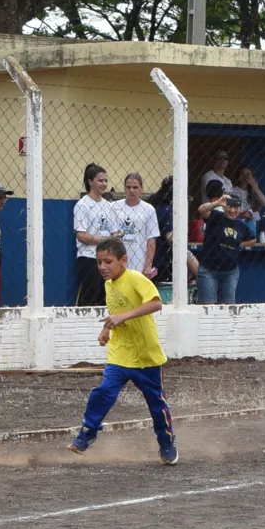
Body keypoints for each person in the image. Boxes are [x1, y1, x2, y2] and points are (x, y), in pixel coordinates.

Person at [69, 237, 177, 465]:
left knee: (156, 404)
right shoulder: (109, 284)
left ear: (124, 260)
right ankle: (86, 435)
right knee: (103, 393)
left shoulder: (136, 279)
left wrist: (123, 317)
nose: (102, 267)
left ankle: (166, 443)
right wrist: (106, 329)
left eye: (108, 261)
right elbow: (116, 310)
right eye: (99, 262)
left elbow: (156, 303)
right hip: (120, 353)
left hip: (145, 355)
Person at [74, 163, 121, 306]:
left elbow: (114, 231)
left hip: (107, 258)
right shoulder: (82, 205)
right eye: (100, 180)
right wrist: (105, 240)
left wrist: (118, 235)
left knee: (105, 298)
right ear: (90, 181)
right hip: (89, 257)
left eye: (106, 180)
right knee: (88, 299)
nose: (104, 184)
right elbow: (82, 235)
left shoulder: (108, 205)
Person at [197, 194, 255, 304]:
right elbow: (201, 210)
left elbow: (253, 239)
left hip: (230, 272)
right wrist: (218, 203)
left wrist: (239, 244)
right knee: (208, 308)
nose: (232, 210)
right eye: (230, 207)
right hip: (208, 270)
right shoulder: (216, 216)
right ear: (224, 207)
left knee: (228, 309)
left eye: (236, 208)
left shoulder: (241, 225)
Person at [111, 173, 160, 279]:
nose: (131, 190)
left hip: (139, 264)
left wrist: (148, 266)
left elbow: (151, 240)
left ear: (141, 189)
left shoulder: (149, 209)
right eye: (128, 187)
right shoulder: (114, 207)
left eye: (135, 187)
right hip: (118, 263)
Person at [230, 165, 265, 235]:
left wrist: (254, 186)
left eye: (248, 174)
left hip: (255, 222)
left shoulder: (254, 190)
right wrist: (241, 214)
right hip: (240, 222)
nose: (245, 176)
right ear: (238, 176)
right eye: (242, 174)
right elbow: (230, 212)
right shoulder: (233, 191)